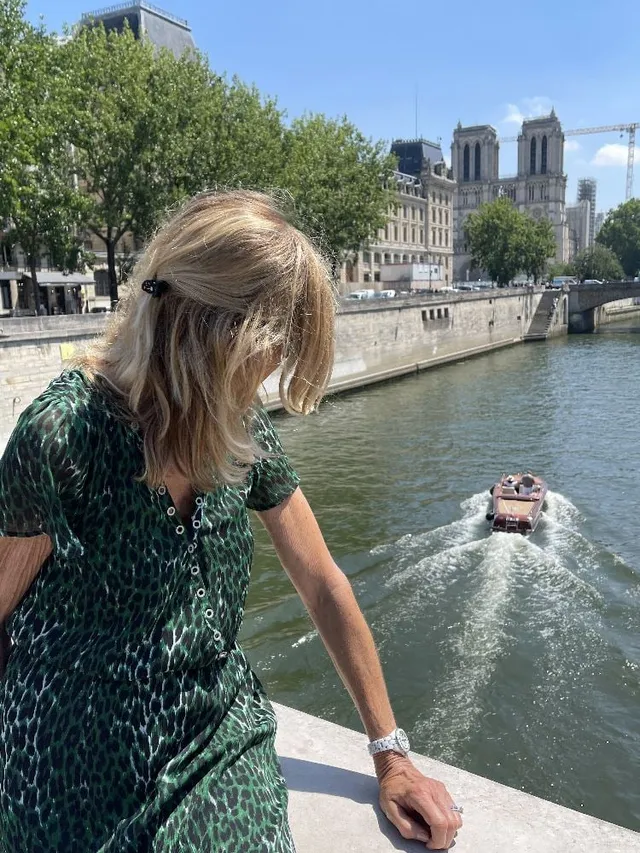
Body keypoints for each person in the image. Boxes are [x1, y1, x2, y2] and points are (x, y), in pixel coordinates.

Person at [0, 190, 462, 852]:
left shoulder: (235, 426)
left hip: (210, 732)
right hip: (72, 757)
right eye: (274, 346)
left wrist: (390, 753)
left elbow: (322, 580)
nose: (274, 371)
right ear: (205, 334)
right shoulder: (64, 437)